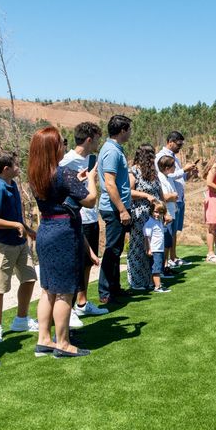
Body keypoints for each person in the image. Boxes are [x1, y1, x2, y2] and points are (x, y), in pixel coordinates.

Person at [28, 127, 97, 358]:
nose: (63, 147)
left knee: (47, 289)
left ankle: (44, 340)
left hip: (45, 230)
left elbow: (59, 194)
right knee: (65, 292)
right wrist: (91, 180)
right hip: (63, 233)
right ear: (52, 148)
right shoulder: (63, 173)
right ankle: (63, 343)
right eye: (60, 143)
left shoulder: (35, 175)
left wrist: (75, 183)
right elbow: (90, 200)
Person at [0, 151, 39, 343]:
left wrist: (28, 229)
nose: (18, 168)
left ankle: (21, 319)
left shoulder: (12, 185)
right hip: (1, 245)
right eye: (16, 165)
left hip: (20, 242)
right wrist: (16, 225)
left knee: (30, 278)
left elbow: (17, 217)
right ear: (6, 169)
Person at [59, 122, 107, 323]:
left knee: (87, 263)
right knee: (73, 265)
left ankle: (82, 303)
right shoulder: (66, 162)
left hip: (90, 217)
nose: (98, 142)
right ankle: (66, 310)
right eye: (97, 138)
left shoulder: (92, 160)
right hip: (74, 218)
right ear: (89, 139)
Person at [98, 115, 133, 305]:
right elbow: (110, 184)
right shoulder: (111, 151)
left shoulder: (115, 149)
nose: (130, 133)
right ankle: (105, 292)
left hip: (118, 207)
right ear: (122, 131)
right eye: (129, 129)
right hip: (113, 209)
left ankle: (114, 288)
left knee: (117, 249)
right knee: (111, 250)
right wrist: (122, 209)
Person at [155, 131, 196, 268]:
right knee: (168, 231)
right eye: (178, 144)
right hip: (169, 199)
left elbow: (180, 177)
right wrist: (184, 169)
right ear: (170, 142)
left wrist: (189, 173)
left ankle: (173, 257)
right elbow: (166, 176)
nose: (180, 147)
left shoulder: (175, 158)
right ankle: (166, 262)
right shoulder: (160, 157)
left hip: (178, 198)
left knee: (174, 231)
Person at [128, 144, 165, 290]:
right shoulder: (133, 172)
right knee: (139, 248)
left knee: (154, 249)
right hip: (140, 215)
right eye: (151, 156)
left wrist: (165, 211)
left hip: (155, 215)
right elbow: (129, 192)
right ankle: (137, 282)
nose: (154, 159)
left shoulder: (153, 173)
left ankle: (151, 280)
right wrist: (146, 196)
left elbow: (160, 192)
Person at [157, 155, 178, 277]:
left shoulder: (167, 177)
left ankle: (165, 266)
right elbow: (163, 196)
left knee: (169, 242)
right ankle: (162, 268)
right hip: (166, 213)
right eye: (173, 165)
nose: (175, 167)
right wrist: (173, 196)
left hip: (171, 211)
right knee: (165, 242)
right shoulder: (161, 178)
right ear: (166, 167)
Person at [143, 201, 171, 294]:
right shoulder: (150, 223)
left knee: (156, 267)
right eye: (156, 212)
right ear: (151, 211)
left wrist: (166, 223)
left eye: (160, 212)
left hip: (160, 249)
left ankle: (153, 283)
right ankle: (157, 286)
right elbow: (147, 237)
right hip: (155, 250)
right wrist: (148, 249)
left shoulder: (158, 221)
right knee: (156, 268)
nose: (158, 214)